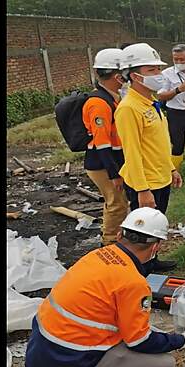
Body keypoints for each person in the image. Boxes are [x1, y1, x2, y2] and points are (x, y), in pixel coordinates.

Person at [24, 208, 185, 367]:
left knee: (150, 335)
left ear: (120, 234)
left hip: (43, 348)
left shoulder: (97, 255)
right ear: (155, 247)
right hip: (64, 360)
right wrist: (182, 341)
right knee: (164, 365)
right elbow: (139, 341)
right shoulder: (133, 282)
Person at [115, 42, 182, 272]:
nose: (159, 74)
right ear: (135, 76)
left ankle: (151, 262)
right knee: (140, 233)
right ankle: (138, 271)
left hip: (160, 176)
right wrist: (143, 190)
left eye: (158, 68)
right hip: (145, 183)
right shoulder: (128, 108)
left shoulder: (151, 103)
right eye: (151, 70)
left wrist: (171, 168)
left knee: (154, 227)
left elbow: (158, 144)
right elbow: (131, 153)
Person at [82, 48, 129, 246]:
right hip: (102, 164)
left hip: (111, 161)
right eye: (126, 74)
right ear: (118, 76)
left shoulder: (112, 98)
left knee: (114, 201)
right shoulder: (99, 103)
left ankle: (113, 235)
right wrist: (114, 173)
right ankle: (109, 243)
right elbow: (102, 144)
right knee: (117, 203)